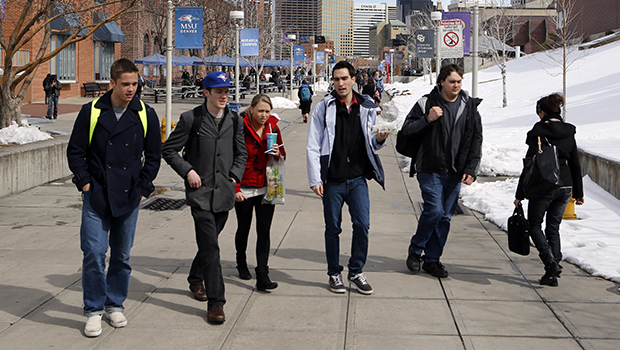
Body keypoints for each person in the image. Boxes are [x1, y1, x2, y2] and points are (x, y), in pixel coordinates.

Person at [66, 58, 161, 337]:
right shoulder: (92, 111)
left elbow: (154, 157)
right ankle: (93, 310)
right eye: (126, 84)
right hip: (96, 193)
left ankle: (115, 304)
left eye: (135, 83)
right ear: (113, 83)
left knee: (121, 255)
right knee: (94, 253)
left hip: (129, 195)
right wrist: (84, 183)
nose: (131, 89)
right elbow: (75, 152)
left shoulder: (146, 113)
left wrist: (144, 188)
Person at [162, 71, 247, 324]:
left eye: (226, 91)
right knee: (212, 247)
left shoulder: (234, 119)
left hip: (224, 193)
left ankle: (195, 279)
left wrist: (234, 176)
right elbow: (169, 149)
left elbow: (241, 153)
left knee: (209, 243)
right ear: (206, 93)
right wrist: (187, 171)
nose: (224, 95)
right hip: (200, 195)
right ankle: (216, 303)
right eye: (218, 91)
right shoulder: (191, 119)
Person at [306, 61, 390, 295]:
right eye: (336, 79)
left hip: (357, 180)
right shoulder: (324, 107)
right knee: (333, 228)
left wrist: (381, 139)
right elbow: (313, 144)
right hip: (332, 180)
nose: (340, 83)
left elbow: (373, 141)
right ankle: (334, 273)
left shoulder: (367, 106)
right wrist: (315, 178)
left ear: (354, 79)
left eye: (344, 78)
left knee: (362, 225)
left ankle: (356, 270)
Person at [401, 64, 483, 278]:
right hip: (430, 167)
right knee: (434, 211)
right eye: (452, 81)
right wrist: (427, 119)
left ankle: (432, 259)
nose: (456, 85)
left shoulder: (469, 107)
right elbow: (406, 131)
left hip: (455, 171)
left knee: (445, 217)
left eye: (459, 81)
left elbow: (476, 140)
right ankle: (416, 249)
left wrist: (471, 168)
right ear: (441, 82)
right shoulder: (426, 103)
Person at [514, 93, 584, 287]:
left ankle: (551, 263)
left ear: (542, 112)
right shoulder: (569, 131)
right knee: (553, 228)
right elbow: (575, 163)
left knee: (535, 226)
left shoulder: (538, 131)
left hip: (544, 185)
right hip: (566, 186)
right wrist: (579, 193)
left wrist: (519, 194)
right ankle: (551, 274)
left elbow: (529, 165)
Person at [234, 94, 286, 290]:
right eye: (260, 111)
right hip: (245, 186)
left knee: (263, 231)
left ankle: (262, 274)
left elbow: (283, 154)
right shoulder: (240, 127)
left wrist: (277, 153)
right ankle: (241, 261)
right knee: (244, 227)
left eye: (267, 111)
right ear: (251, 109)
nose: (264, 115)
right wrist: (235, 188)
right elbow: (231, 157)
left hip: (268, 185)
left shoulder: (273, 127)